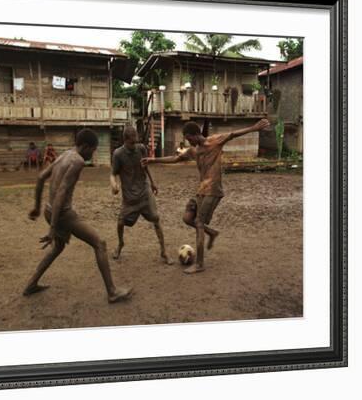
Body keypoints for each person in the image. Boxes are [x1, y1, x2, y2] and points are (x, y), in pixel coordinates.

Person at [142, 118, 270, 274]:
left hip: (213, 190)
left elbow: (233, 134)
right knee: (187, 218)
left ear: (194, 135)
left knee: (199, 223)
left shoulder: (214, 141)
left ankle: (200, 264)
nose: (188, 142)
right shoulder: (193, 150)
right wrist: (153, 160)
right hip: (200, 190)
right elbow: (175, 158)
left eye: (189, 138)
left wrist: (254, 128)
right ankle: (212, 233)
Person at [25, 128, 133, 303]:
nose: (94, 152)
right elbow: (61, 192)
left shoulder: (65, 155)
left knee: (58, 248)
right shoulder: (77, 161)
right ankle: (112, 292)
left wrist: (37, 208)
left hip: (49, 209)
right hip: (62, 214)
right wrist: (52, 228)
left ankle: (31, 284)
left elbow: (40, 177)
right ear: (85, 146)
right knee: (100, 244)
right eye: (93, 149)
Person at [110, 126, 172, 265]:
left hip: (145, 192)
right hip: (129, 197)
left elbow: (145, 166)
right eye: (131, 142)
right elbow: (113, 173)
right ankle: (120, 245)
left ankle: (164, 251)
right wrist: (114, 184)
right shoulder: (118, 154)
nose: (134, 145)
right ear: (125, 140)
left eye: (135, 141)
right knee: (120, 223)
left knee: (156, 219)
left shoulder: (141, 149)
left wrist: (152, 182)